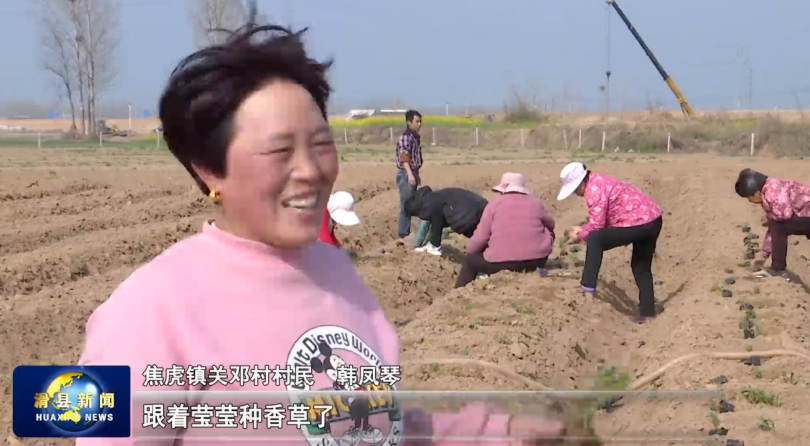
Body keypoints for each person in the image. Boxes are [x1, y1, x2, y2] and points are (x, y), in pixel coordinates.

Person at [74, 14, 563, 446]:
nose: (311, 171)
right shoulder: (149, 312)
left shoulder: (336, 273)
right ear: (209, 170)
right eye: (279, 151)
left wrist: (498, 432)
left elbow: (372, 428)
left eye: (321, 144)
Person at [557, 162, 663, 323]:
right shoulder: (599, 180)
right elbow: (604, 217)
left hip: (637, 222)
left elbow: (597, 226)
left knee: (595, 239)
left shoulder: (593, 190)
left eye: (574, 190)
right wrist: (584, 229)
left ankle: (587, 285)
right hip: (652, 219)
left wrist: (580, 235)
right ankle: (647, 312)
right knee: (641, 266)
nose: (576, 194)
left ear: (581, 183)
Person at [456, 173, 555, 288]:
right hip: (537, 261)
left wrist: (472, 250)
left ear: (503, 190)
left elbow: (481, 238)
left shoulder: (494, 205)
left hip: (502, 264)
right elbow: (551, 224)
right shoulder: (536, 203)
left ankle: (459, 292)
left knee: (471, 262)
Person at [735, 168, 810, 275]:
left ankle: (778, 269)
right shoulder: (768, 189)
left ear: (756, 193)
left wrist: (770, 217)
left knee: (779, 226)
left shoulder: (772, 192)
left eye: (749, 197)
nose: (750, 201)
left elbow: (784, 215)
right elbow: (775, 223)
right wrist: (764, 253)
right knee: (777, 224)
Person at [404, 186, 488, 256]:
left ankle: (485, 268)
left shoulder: (431, 205)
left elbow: (437, 226)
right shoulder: (433, 197)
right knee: (486, 239)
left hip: (469, 215)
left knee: (479, 241)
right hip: (480, 205)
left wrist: (434, 246)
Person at [395, 110, 423, 240]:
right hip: (406, 174)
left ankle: (406, 233)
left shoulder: (414, 137)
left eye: (420, 121)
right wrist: (410, 174)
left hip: (412, 173)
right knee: (406, 205)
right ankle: (403, 235)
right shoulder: (406, 137)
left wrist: (416, 174)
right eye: (417, 121)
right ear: (408, 122)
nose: (419, 124)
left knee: (411, 204)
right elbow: (404, 157)